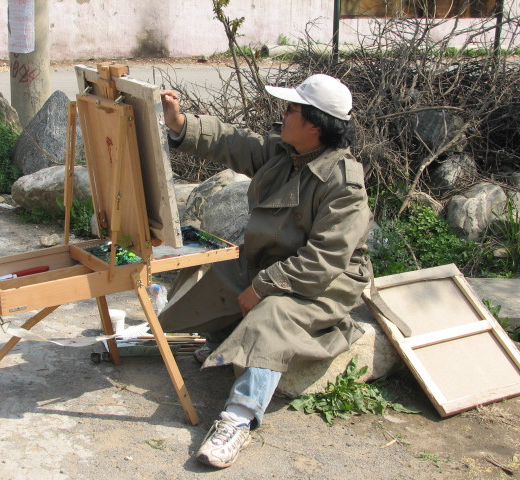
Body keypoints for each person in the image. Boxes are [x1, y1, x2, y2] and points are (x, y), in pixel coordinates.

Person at [159, 74, 373, 468]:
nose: (283, 113)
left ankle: (237, 417)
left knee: (272, 315)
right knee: (211, 272)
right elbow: (234, 142)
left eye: (291, 109)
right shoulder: (285, 152)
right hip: (275, 262)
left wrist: (263, 287)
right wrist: (180, 124)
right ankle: (224, 339)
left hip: (324, 282)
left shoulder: (344, 185)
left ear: (314, 124)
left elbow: (325, 258)